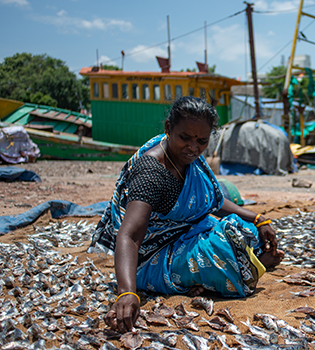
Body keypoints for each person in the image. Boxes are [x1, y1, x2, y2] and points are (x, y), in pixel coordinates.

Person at [88, 96, 284, 333]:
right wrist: (127, 292)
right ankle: (250, 266)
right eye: (185, 138)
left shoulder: (191, 159)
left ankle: (236, 270)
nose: (193, 147)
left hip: (185, 232)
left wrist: (258, 218)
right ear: (169, 128)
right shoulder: (152, 171)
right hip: (151, 255)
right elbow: (129, 235)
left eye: (201, 141)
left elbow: (216, 202)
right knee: (221, 251)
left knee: (248, 230)